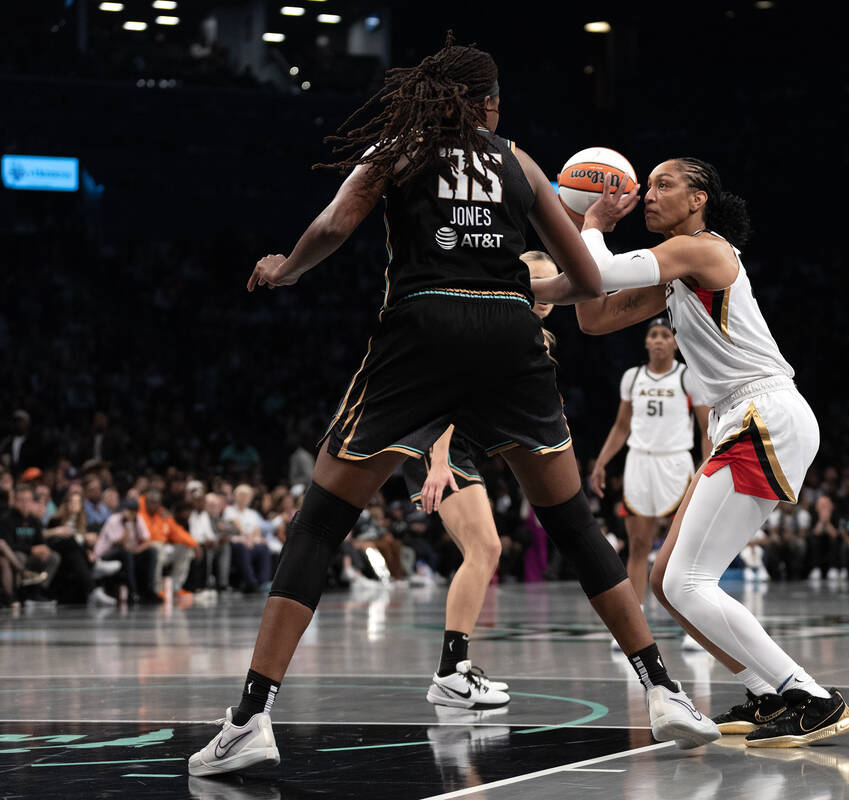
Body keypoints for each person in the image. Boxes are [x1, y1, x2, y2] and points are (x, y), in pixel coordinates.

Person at [188, 37, 717, 779]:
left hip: (422, 327)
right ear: (491, 103)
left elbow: (336, 226)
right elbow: (587, 281)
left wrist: (286, 267)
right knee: (571, 524)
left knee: (322, 521)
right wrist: (583, 234)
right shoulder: (519, 161)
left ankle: (249, 718)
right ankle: (664, 691)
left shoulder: (397, 147)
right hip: (509, 331)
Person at [537, 157, 849, 748]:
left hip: (763, 413)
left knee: (685, 581)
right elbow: (594, 314)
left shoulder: (703, 249)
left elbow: (599, 270)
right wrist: (511, 279)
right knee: (666, 580)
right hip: (743, 420)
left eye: (663, 184)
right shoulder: (676, 275)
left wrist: (594, 221)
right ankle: (768, 692)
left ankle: (809, 697)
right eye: (648, 185)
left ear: (698, 198)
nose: (648, 194)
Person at [402, 251, 557, 711]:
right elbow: (452, 395)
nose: (545, 294)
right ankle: (451, 673)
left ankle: (454, 670)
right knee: (486, 549)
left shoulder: (532, 333)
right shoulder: (493, 324)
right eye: (537, 282)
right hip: (439, 445)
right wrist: (438, 460)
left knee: (484, 550)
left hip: (460, 448)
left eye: (553, 284)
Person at [589, 317, 711, 644]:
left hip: (676, 462)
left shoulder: (688, 377)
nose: (658, 340)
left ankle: (695, 625)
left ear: (674, 342)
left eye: (665, 335)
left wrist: (708, 465)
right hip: (639, 463)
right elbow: (620, 427)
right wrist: (601, 462)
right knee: (639, 546)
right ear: (646, 343)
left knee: (685, 547)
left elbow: (705, 428)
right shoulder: (632, 377)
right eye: (653, 335)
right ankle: (633, 626)